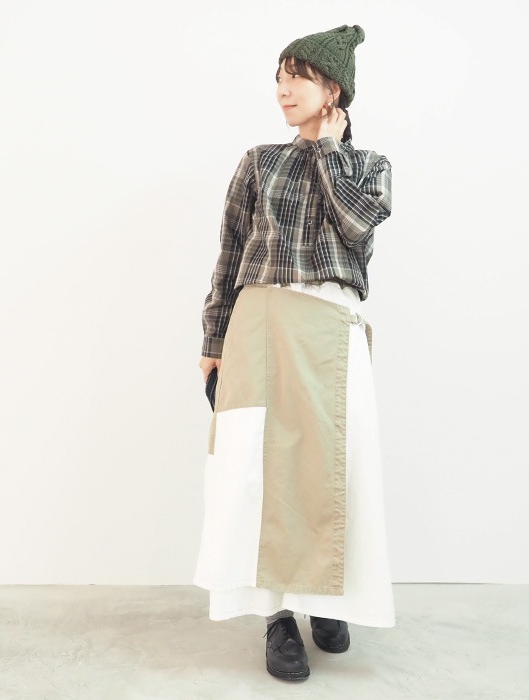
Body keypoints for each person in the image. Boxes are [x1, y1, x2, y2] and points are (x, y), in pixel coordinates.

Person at [194, 24, 395, 682]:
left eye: (297, 77)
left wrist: (329, 151)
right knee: (258, 473)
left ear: (333, 90)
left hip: (331, 330)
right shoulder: (258, 161)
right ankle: (278, 616)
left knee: (333, 470)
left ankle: (326, 600)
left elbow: (357, 226)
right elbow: (229, 255)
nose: (283, 90)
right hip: (260, 324)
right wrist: (213, 339)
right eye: (279, 78)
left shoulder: (369, 167)